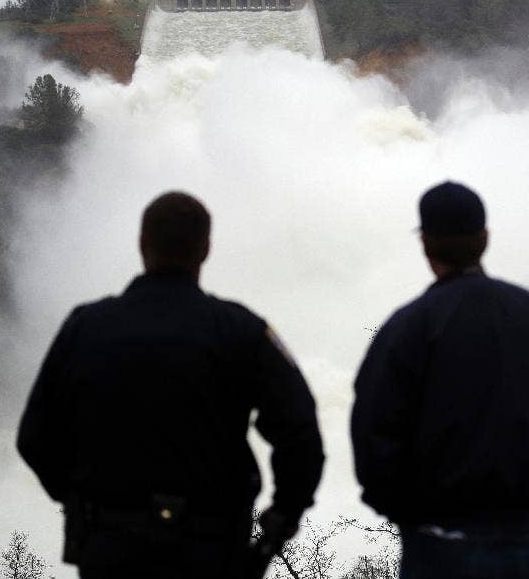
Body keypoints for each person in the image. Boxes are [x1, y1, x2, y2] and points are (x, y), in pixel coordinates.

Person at [17, 191, 324, 578]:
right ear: (206, 249)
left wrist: (81, 499)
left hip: (110, 549)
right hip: (209, 549)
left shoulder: (85, 327)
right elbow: (300, 431)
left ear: (142, 243)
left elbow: (34, 437)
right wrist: (282, 518)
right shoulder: (240, 330)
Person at [351, 181, 529, 579]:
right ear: (484, 238)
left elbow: (372, 430)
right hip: (524, 540)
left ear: (426, 245)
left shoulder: (408, 327)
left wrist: (405, 511)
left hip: (437, 543)